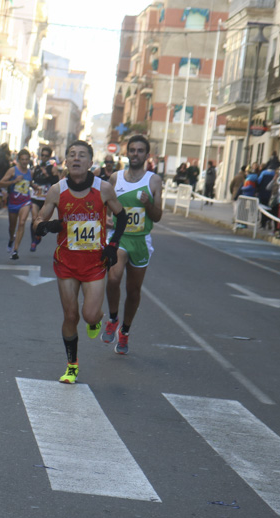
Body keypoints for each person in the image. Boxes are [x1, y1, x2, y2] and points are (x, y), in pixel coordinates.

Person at [33, 140, 127, 384]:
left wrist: (113, 245)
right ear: (65, 161)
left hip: (95, 262)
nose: (76, 159)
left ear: (90, 162)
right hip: (66, 261)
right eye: (72, 155)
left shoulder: (104, 188)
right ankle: (72, 365)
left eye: (82, 155)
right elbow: (39, 220)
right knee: (71, 315)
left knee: (90, 315)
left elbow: (122, 215)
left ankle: (97, 318)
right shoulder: (57, 190)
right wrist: (46, 226)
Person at [101, 135, 163, 355]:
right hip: (120, 237)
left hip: (141, 240)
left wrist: (149, 205)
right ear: (126, 153)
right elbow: (105, 206)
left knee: (133, 290)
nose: (135, 154)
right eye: (132, 150)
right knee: (113, 278)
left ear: (147, 155)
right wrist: (106, 219)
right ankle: (113, 318)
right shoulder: (115, 178)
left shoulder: (154, 181)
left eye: (140, 151)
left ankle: (125, 332)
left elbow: (157, 217)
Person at [0, 149, 33, 259]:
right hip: (13, 201)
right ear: (19, 160)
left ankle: (15, 250)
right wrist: (14, 181)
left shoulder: (30, 172)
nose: (24, 161)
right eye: (22, 159)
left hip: (25, 201)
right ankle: (11, 239)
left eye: (26, 159)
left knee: (22, 222)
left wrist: (35, 187)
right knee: (12, 226)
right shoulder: (12, 170)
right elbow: (0, 183)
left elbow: (29, 183)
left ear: (29, 160)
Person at [30, 146, 60, 252]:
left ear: (49, 157)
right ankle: (34, 240)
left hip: (46, 198)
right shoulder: (36, 167)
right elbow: (32, 180)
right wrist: (32, 185)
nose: (43, 157)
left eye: (46, 156)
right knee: (34, 218)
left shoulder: (52, 168)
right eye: (42, 155)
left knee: (42, 220)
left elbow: (56, 182)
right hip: (35, 195)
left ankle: (39, 235)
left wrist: (47, 174)